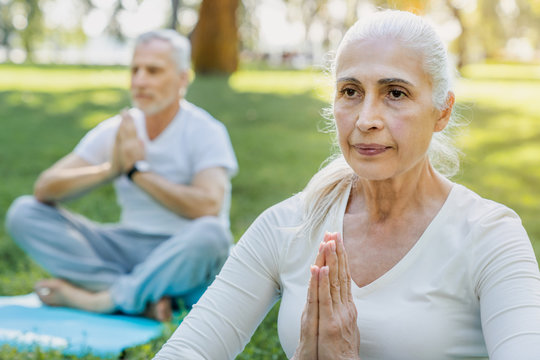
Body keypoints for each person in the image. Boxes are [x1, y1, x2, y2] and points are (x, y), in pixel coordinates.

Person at [152, 9, 540, 359]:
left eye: (395, 93)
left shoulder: (490, 238)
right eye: (351, 92)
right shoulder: (289, 225)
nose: (366, 118)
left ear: (442, 112)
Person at [5, 29, 238, 322]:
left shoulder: (206, 131)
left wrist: (136, 173)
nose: (139, 81)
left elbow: (207, 207)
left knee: (212, 234)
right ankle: (141, 298)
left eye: (153, 71)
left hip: (184, 255)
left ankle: (101, 300)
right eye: (135, 70)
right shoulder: (118, 129)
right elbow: (45, 188)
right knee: (24, 212)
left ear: (182, 79)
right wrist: (109, 170)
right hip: (125, 248)